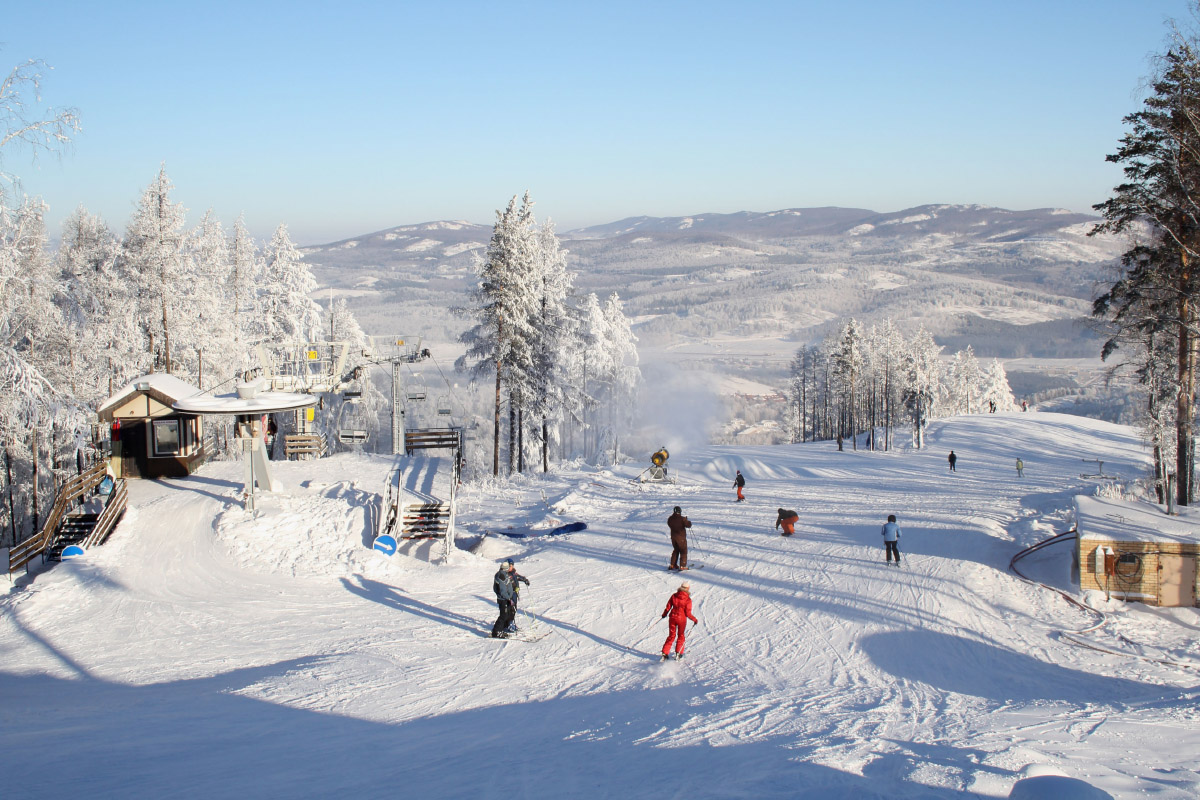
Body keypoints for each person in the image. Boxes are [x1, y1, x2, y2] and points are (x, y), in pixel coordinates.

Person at [661, 581, 698, 660]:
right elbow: (688, 613)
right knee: (681, 635)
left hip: (672, 618)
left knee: (671, 635)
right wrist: (694, 620)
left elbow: (668, 607)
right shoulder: (688, 599)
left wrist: (664, 614)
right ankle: (679, 652)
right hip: (682, 619)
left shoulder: (674, 596)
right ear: (687, 589)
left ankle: (665, 652)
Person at [491, 559, 519, 638]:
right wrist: (508, 598)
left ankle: (501, 629)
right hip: (503, 599)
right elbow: (503, 590)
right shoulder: (501, 576)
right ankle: (496, 632)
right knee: (503, 615)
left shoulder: (503, 574)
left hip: (506, 598)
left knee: (506, 614)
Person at [505, 562, 531, 634]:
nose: (510, 567)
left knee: (514, 608)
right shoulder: (506, 575)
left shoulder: (513, 573)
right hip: (509, 595)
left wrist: (525, 580)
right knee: (511, 609)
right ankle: (509, 625)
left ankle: (511, 623)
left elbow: (519, 577)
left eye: (511, 566)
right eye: (509, 566)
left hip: (514, 594)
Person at [667, 506, 692, 570]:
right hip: (681, 538)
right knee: (683, 550)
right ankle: (682, 566)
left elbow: (669, 523)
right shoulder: (682, 519)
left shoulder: (670, 519)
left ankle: (673, 565)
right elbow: (688, 525)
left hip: (673, 538)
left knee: (676, 550)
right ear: (680, 511)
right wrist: (686, 520)